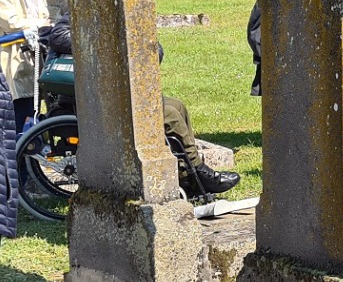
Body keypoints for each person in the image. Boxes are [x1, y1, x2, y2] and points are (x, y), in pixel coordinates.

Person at [46, 13, 241, 195]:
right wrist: (109, 45)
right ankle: (199, 172)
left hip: (121, 95)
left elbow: (155, 52)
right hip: (92, 102)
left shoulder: (127, 10)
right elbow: (58, 36)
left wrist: (145, 48)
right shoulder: (83, 9)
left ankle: (186, 174)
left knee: (177, 106)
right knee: (170, 116)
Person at [0, 0, 51, 133]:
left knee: (33, 108)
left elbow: (44, 12)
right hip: (11, 57)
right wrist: (40, 24)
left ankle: (27, 157)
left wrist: (39, 24)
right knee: (15, 111)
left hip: (34, 55)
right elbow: (11, 21)